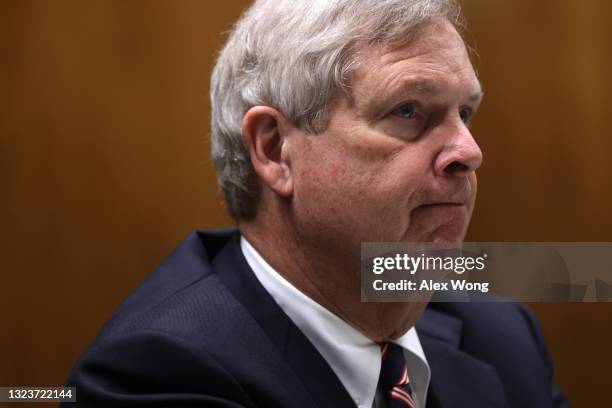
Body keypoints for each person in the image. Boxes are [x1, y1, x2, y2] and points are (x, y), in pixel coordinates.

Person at [64, 0, 567, 407]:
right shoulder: (157, 373)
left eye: (466, 113)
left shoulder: (502, 335)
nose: (469, 153)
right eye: (408, 110)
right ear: (275, 149)